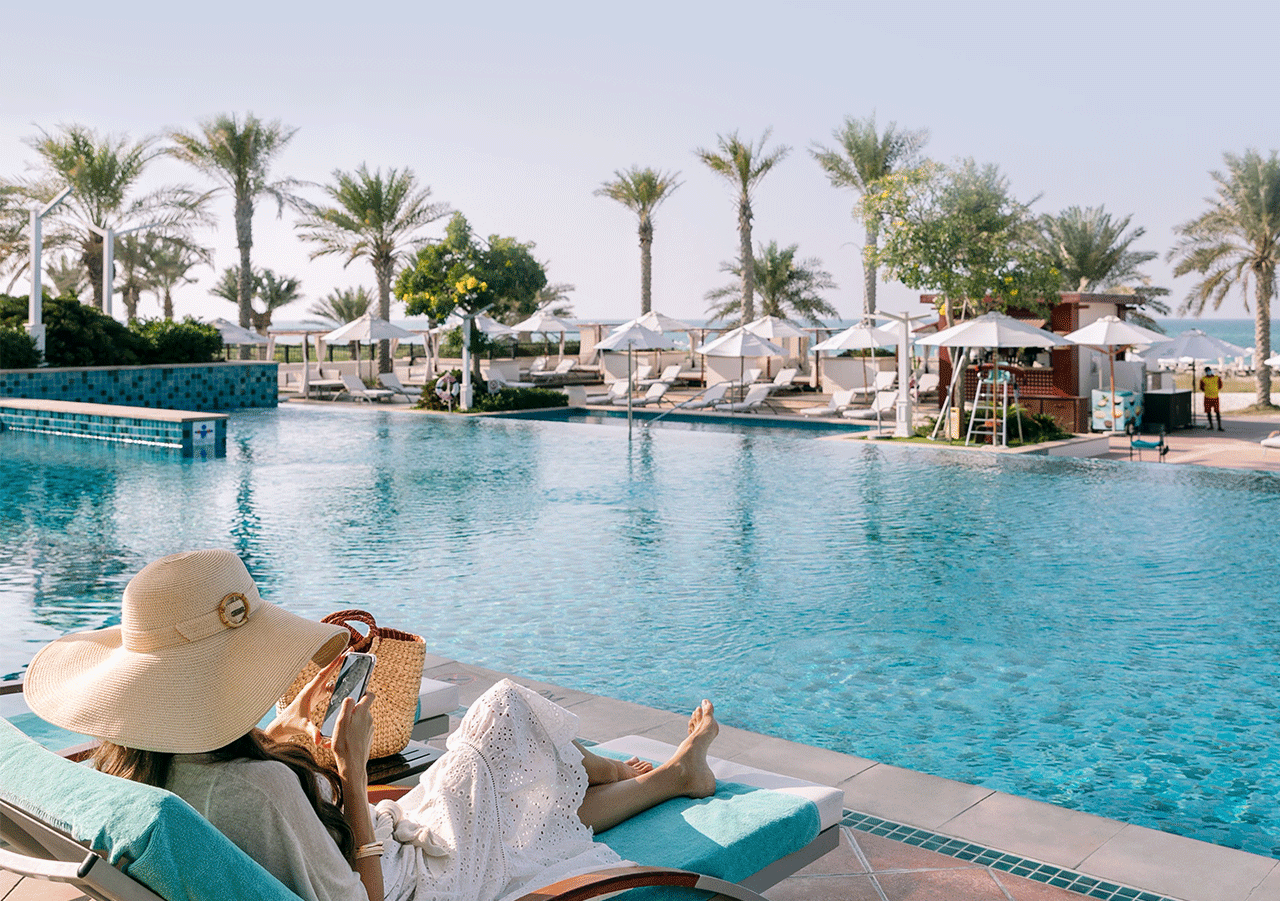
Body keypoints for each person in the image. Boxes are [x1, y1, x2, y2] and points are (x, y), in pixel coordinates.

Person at [23, 549, 721, 901]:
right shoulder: (261, 789)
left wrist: (283, 734)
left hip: (377, 841)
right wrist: (352, 774)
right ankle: (636, 771)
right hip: (402, 876)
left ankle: (670, 776)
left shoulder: (133, 768)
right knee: (505, 709)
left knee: (513, 802)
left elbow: (258, 814)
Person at [1199, 366, 1224, 430]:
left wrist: (1214, 390)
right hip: (1207, 397)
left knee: (1217, 412)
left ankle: (1219, 426)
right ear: (1205, 372)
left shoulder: (1217, 378)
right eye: (1207, 371)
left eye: (1209, 370)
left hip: (1215, 397)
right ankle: (1211, 425)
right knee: (1208, 412)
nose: (1208, 372)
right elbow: (1201, 387)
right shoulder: (1203, 379)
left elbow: (1220, 385)